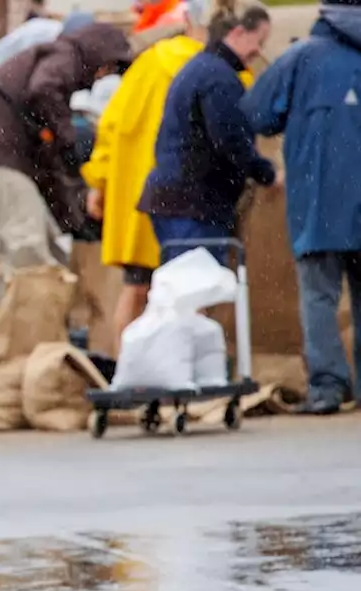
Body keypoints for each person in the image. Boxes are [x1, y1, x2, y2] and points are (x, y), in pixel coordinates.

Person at [244, 0, 361, 415]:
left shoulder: (302, 56)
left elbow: (257, 113)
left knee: (319, 298)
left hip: (320, 204)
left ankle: (328, 389)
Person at [83, 0, 214, 351]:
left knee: (136, 289)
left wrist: (98, 183)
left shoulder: (145, 67)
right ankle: (186, 371)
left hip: (136, 199)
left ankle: (130, 375)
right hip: (186, 201)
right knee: (191, 289)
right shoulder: (211, 69)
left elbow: (110, 128)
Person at [0, 23, 130, 272]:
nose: (102, 75)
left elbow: (47, 164)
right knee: (34, 272)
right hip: (1, 174)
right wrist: (67, 142)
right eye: (108, 67)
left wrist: (71, 210)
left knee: (45, 260)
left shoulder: (43, 60)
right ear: (97, 51)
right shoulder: (64, 55)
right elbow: (44, 89)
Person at [138, 5, 275, 268]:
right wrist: (265, 172)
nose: (259, 51)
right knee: (196, 289)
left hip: (173, 198)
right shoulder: (219, 78)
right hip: (194, 205)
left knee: (181, 290)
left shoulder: (199, 68)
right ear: (237, 32)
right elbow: (230, 139)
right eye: (259, 41)